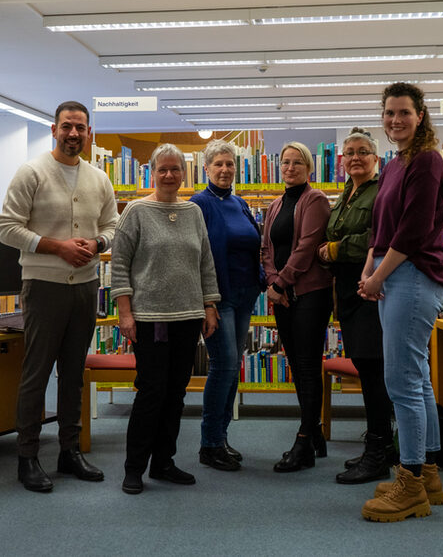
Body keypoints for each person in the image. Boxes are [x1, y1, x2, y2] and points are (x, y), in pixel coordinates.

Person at [0, 100, 118, 493]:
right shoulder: (32, 172)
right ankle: (27, 456)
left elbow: (114, 227)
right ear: (54, 130)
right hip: (43, 286)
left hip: (84, 288)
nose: (73, 134)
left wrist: (98, 241)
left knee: (72, 374)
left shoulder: (99, 179)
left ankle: (69, 451)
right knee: (35, 376)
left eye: (80, 128)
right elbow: (7, 228)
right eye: (67, 126)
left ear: (88, 132)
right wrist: (56, 247)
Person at [358, 82, 443, 522]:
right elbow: (383, 227)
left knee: (402, 385)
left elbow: (413, 232)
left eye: (404, 113)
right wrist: (369, 270)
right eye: (389, 113)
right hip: (395, 277)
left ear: (420, 115)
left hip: (413, 278)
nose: (395, 120)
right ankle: (428, 473)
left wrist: (378, 275)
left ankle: (410, 484)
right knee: (419, 380)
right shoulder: (396, 163)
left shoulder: (428, 161)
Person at [112, 143, 220, 495]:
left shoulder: (193, 212)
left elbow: (205, 261)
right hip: (151, 318)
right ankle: (134, 468)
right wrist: (125, 312)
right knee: (151, 393)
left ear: (184, 175)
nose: (170, 175)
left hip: (188, 317)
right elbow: (119, 265)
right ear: (152, 173)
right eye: (163, 170)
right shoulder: (136, 211)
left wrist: (209, 304)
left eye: (176, 169)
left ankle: (164, 462)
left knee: (175, 394)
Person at [317, 127, 396, 485]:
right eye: (349, 152)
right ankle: (377, 445)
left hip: (371, 289)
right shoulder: (347, 192)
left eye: (362, 151)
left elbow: (378, 238)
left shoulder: (382, 192)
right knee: (365, 369)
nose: (355, 158)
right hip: (347, 291)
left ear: (375, 158)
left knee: (375, 371)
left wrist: (335, 250)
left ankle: (380, 451)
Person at [190, 140, 264, 471]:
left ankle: (221, 437)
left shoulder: (240, 203)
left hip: (246, 294)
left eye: (229, 164)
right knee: (224, 365)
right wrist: (206, 301)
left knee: (232, 368)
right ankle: (209, 443)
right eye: (218, 164)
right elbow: (196, 257)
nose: (224, 169)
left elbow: (255, 247)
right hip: (219, 298)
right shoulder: (199, 205)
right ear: (206, 168)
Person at [262, 141, 333, 472]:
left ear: (309, 168)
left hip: (309, 294)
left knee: (306, 365)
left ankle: (304, 439)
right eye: (285, 163)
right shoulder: (276, 204)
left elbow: (306, 248)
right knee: (296, 363)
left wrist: (280, 284)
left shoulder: (315, 200)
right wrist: (275, 283)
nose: (290, 168)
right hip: (284, 295)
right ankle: (314, 432)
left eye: (297, 163)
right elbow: (266, 248)